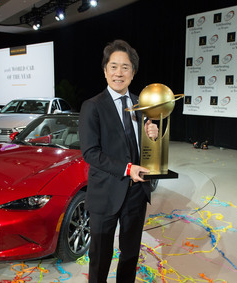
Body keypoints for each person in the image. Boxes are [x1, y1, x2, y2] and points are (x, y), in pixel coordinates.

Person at [79, 39, 159, 283]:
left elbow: (145, 148)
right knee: (100, 256)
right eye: (113, 66)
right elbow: (90, 152)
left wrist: (152, 137)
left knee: (130, 254)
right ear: (105, 70)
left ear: (133, 73)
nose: (119, 73)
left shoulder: (142, 104)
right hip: (106, 193)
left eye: (125, 67)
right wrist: (126, 168)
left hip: (136, 194)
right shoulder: (92, 106)